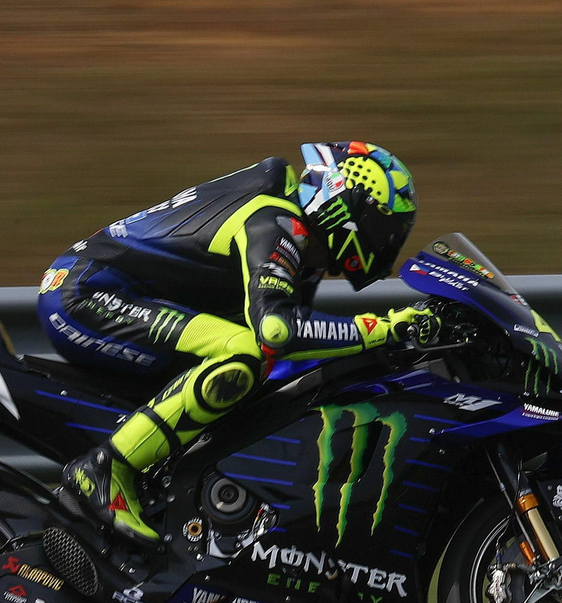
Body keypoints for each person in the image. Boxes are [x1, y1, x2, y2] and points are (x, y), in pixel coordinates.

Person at [37, 141, 439, 546]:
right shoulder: (275, 221)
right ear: (349, 205)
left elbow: (292, 353)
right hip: (85, 295)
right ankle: (103, 470)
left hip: (115, 296)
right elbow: (277, 332)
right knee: (241, 354)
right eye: (386, 228)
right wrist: (387, 328)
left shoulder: (303, 250)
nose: (388, 243)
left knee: (255, 372)